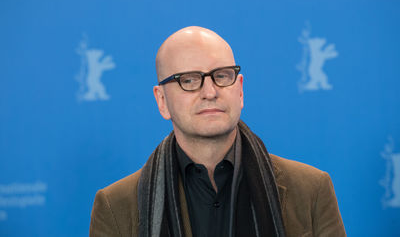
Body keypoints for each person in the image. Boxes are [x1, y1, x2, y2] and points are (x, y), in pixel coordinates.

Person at [89, 26, 346, 237]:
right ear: (162, 101)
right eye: (188, 80)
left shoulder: (311, 190)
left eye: (222, 76)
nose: (210, 92)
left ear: (240, 90)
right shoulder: (115, 206)